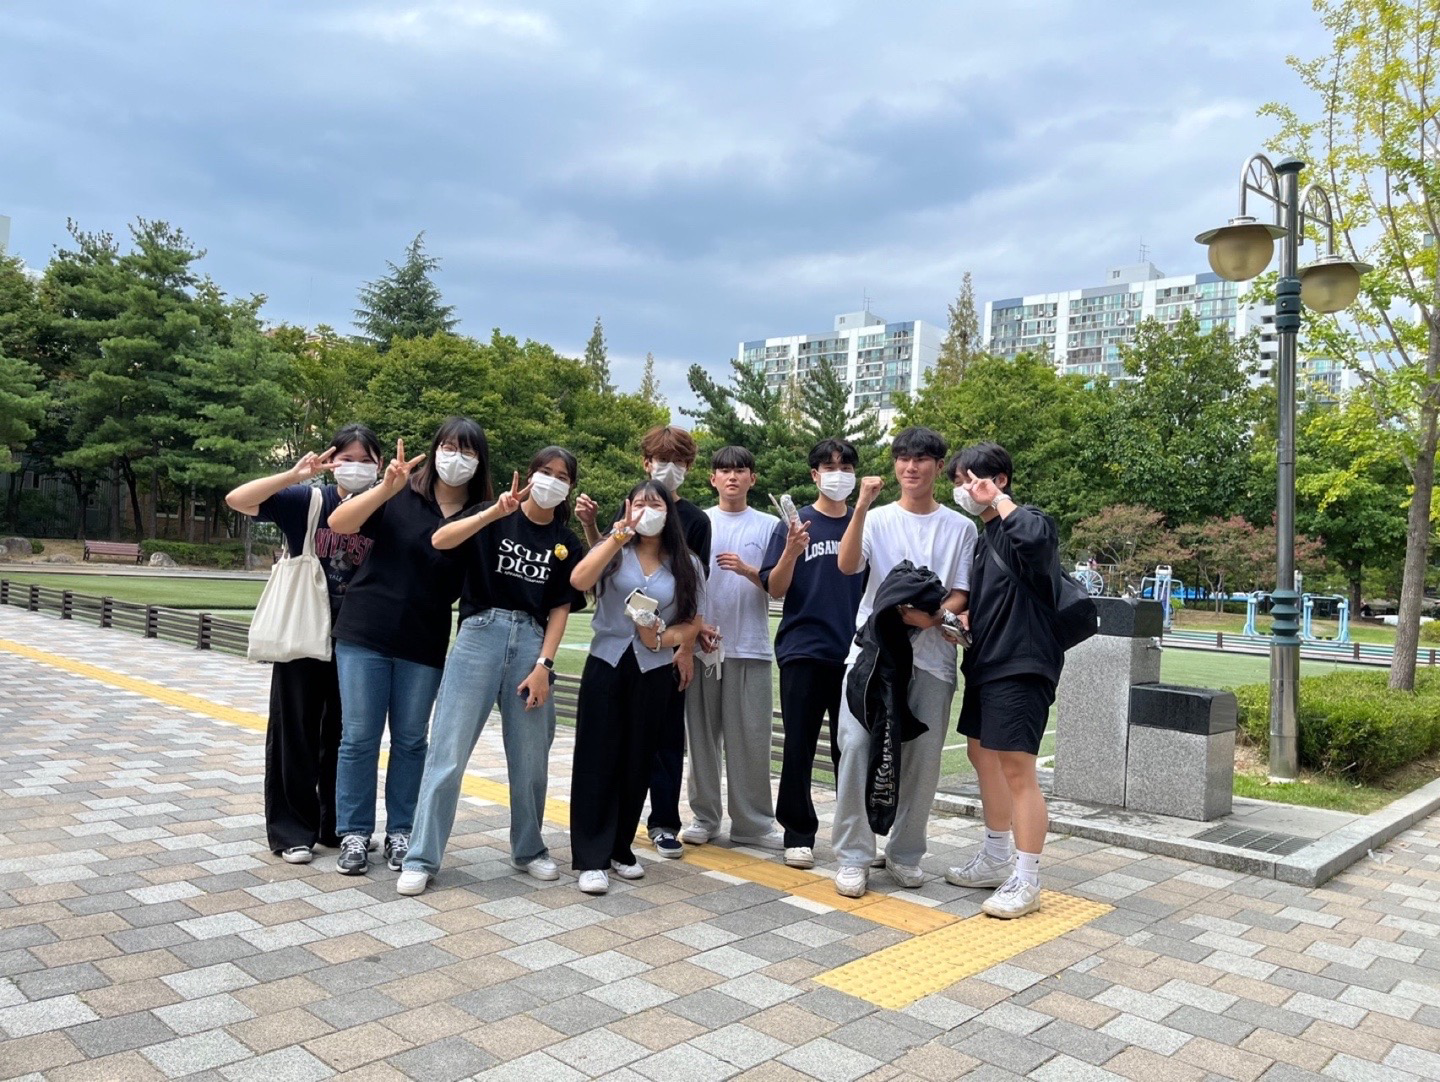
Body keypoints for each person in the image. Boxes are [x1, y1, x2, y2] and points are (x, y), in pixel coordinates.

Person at [396, 448, 587, 896]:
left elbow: (561, 608)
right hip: (480, 634)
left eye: (562, 477)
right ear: (530, 474)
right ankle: (421, 856)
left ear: (569, 487)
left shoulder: (566, 541)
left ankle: (529, 849)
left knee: (531, 758)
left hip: (531, 643)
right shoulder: (493, 513)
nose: (551, 481)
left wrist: (544, 666)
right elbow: (441, 540)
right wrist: (492, 514)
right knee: (447, 752)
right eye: (545, 472)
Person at [325, 417, 492, 877]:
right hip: (365, 631)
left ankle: (402, 830)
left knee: (412, 741)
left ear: (480, 461)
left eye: (468, 451)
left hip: (425, 639)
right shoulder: (401, 491)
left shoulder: (483, 513)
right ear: (435, 450)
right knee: (358, 737)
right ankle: (354, 832)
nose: (456, 458)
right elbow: (340, 523)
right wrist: (385, 487)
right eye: (449, 447)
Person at [224, 424, 384, 865]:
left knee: (346, 735)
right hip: (303, 633)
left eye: (365, 460)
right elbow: (237, 499)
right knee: (294, 730)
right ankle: (292, 830)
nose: (355, 467)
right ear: (331, 462)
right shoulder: (309, 501)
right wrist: (293, 475)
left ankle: (336, 825)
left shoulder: (384, 506)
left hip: (358, 640)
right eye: (346, 459)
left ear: (379, 465)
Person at [831, 426, 976, 898]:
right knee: (856, 746)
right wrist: (860, 507)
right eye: (903, 459)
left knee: (922, 758)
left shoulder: (961, 527)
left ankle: (905, 852)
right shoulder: (876, 519)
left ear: (938, 466)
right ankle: (854, 855)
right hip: (872, 655)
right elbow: (847, 566)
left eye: (921, 459)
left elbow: (960, 590)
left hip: (932, 657)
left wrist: (931, 617)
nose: (911, 467)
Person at [576, 424, 711, 858]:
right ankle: (592, 851)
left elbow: (693, 614)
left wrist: (673, 642)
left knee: (646, 751)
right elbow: (585, 577)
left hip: (656, 663)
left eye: (656, 504)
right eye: (640, 503)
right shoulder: (618, 544)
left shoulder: (689, 551)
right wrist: (608, 530)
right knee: (601, 753)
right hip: (609, 658)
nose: (648, 510)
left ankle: (631, 842)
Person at [944, 443, 1062, 919]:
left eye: (973, 480)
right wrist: (966, 618)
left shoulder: (1027, 521)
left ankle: (1027, 879)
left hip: (1022, 663)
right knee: (982, 755)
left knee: (1017, 768)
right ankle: (995, 856)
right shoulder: (984, 538)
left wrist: (998, 500)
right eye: (960, 482)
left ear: (1001, 480)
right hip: (986, 662)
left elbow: (1034, 541)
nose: (965, 490)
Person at [759, 438, 867, 869]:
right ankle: (798, 833)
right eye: (829, 466)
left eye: (846, 466)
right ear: (814, 475)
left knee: (852, 749)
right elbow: (775, 588)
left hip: (854, 654)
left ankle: (855, 836)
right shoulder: (794, 524)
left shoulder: (864, 523)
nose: (838, 474)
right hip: (803, 649)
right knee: (799, 746)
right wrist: (791, 550)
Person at [681, 446, 782, 849]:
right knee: (702, 739)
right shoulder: (697, 521)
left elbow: (778, 586)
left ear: (752, 478)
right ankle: (705, 818)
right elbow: (682, 581)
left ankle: (753, 824)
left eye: (741, 470)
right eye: (724, 471)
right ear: (712, 479)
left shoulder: (770, 526)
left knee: (752, 741)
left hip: (750, 646)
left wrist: (748, 570)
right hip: (702, 646)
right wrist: (694, 628)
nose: (732, 477)